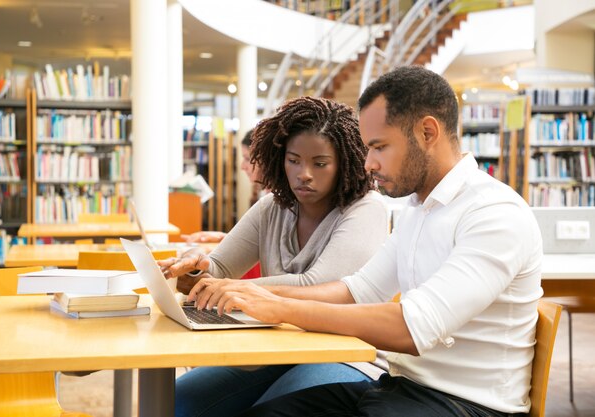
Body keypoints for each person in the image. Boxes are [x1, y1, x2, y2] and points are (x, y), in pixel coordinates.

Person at [187, 66, 544, 417]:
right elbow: (356, 291)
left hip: (465, 404)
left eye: (379, 147)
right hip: (402, 387)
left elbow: (411, 327)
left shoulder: (495, 213)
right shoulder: (418, 209)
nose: (368, 164)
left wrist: (279, 307)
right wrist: (257, 295)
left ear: (427, 132)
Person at [161, 96, 390, 417]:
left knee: (270, 412)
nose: (304, 174)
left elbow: (320, 285)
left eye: (320, 163)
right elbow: (221, 267)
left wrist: (230, 288)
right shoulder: (272, 206)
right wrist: (196, 270)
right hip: (276, 348)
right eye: (294, 160)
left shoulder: (366, 209)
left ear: (345, 163)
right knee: (176, 400)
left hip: (345, 354)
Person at [183, 129, 258, 244]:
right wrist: (220, 237)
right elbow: (254, 243)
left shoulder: (274, 202)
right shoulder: (263, 197)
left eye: (247, 159)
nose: (242, 166)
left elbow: (257, 247)